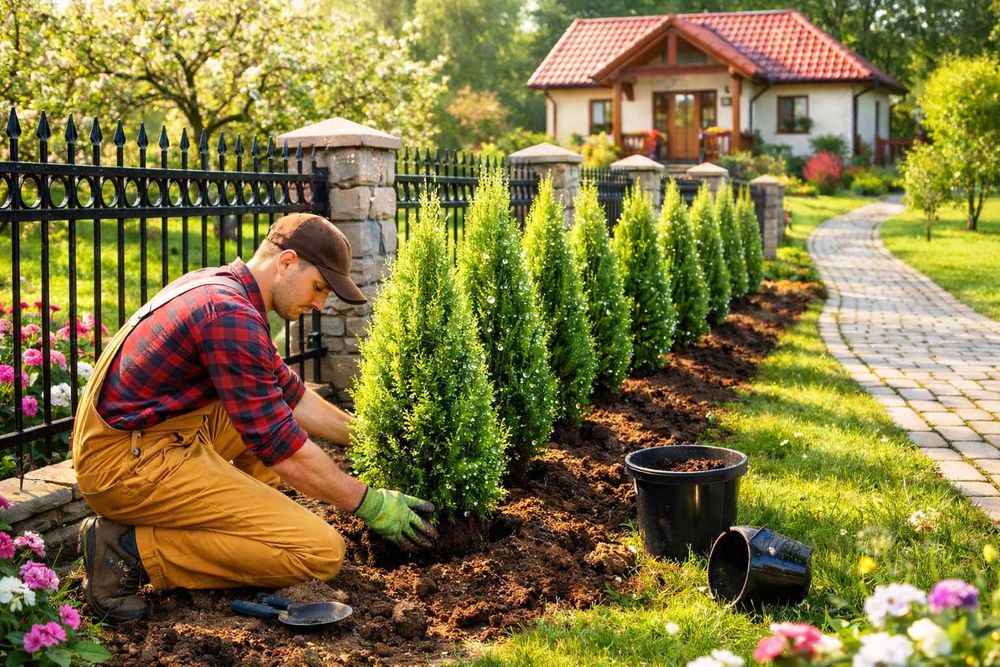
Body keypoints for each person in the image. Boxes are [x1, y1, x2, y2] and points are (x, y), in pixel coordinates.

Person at [71, 213, 438, 624]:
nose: (320, 304)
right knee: (320, 551)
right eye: (318, 287)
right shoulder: (229, 314)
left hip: (152, 436)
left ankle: (258, 524)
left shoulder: (225, 289)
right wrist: (369, 503)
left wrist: (370, 435)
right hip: (125, 465)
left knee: (259, 406)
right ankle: (125, 549)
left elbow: (290, 394)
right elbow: (284, 449)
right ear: (286, 262)